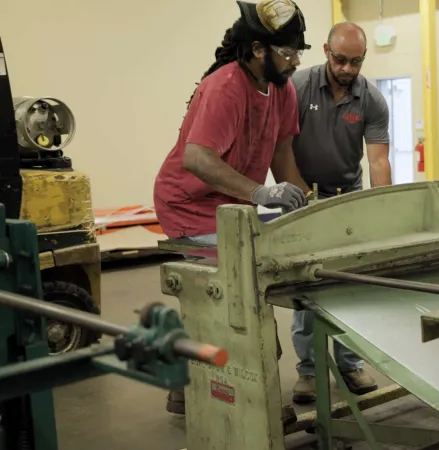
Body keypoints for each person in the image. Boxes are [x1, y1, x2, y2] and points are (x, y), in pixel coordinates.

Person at [152, 0, 312, 415]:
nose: (295, 60)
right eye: (288, 51)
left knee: (244, 280)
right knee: (237, 288)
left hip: (233, 202)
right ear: (259, 50)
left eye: (299, 51)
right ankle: (253, 393)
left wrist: (306, 203)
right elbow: (197, 159)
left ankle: (184, 384)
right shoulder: (225, 86)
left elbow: (283, 155)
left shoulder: (283, 90)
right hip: (189, 202)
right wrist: (261, 193)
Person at [288, 22, 392, 404]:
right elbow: (279, 149)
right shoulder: (296, 87)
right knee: (306, 287)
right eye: (341, 60)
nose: (348, 69)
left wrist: (382, 212)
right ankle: (310, 370)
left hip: (347, 195)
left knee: (349, 283)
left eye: (356, 62)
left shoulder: (371, 100)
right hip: (301, 197)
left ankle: (349, 363)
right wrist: (298, 196)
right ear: (325, 51)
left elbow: (379, 162)